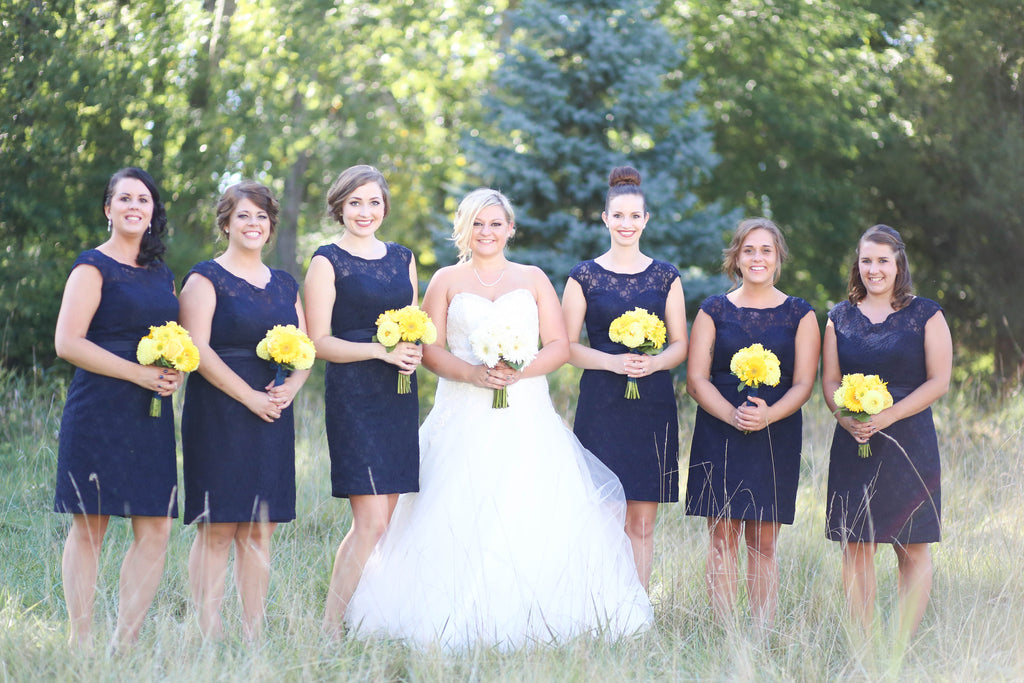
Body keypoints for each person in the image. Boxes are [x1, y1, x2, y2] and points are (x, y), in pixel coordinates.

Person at [344, 188, 653, 650]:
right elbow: (428, 349)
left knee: (527, 508)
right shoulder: (446, 279)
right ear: (465, 229)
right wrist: (472, 372)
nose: (486, 232)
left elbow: (559, 346)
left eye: (495, 223)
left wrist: (519, 370)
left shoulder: (532, 278)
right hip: (462, 412)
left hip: (524, 412)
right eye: (477, 223)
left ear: (510, 228)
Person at [53, 167, 181, 649]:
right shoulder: (92, 266)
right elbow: (68, 341)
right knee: (91, 525)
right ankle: (80, 639)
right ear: (108, 209)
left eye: (143, 199)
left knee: (157, 526)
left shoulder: (161, 275)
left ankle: (123, 642)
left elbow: (176, 339)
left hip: (151, 413)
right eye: (124, 198)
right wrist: (137, 373)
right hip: (99, 410)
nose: (134, 206)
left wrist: (175, 370)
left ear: (153, 213)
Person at [178, 182, 309, 640]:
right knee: (218, 525)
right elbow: (197, 349)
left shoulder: (286, 284)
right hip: (219, 410)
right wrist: (249, 396)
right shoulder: (204, 278)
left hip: (272, 411)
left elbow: (305, 348)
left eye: (261, 217)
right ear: (227, 223)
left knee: (260, 526)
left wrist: (291, 386)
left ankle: (253, 630)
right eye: (243, 216)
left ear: (271, 226)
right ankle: (208, 628)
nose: (253, 224)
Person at [303, 165, 423, 637]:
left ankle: (371, 619)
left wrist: (412, 351)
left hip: (398, 393)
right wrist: (378, 349)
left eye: (373, 202)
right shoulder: (326, 261)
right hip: (354, 395)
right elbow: (318, 341)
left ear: (385, 207)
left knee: (388, 519)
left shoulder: (403, 258)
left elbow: (414, 319)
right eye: (355, 202)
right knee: (369, 520)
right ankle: (330, 625)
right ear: (339, 207)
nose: (365, 211)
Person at [684, 217, 819, 629]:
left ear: (778, 258)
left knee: (763, 541)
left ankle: (761, 632)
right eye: (749, 250)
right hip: (718, 431)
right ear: (736, 258)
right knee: (722, 536)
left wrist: (767, 416)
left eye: (766, 250)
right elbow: (695, 379)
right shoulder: (714, 309)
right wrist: (731, 415)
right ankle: (725, 632)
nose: (757, 258)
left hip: (775, 436)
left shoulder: (800, 313)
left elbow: (804, 384)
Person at [561, 166, 688, 591]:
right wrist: (612, 363)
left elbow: (680, 345)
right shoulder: (584, 277)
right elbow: (567, 346)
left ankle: (636, 612)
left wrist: (653, 364)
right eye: (619, 216)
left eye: (635, 217)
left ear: (646, 220)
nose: (627, 224)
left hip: (651, 405)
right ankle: (599, 607)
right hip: (601, 404)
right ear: (605, 218)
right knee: (605, 514)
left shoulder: (666, 277)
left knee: (642, 520)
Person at [823, 224, 951, 639]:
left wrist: (889, 416)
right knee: (856, 542)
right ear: (856, 264)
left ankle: (899, 643)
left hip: (908, 441)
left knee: (911, 544)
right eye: (866, 261)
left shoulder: (926, 314)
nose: (873, 269)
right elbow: (829, 381)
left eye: (882, 260)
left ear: (898, 263)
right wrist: (846, 418)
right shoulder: (838, 317)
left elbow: (939, 380)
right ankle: (866, 643)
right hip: (853, 440)